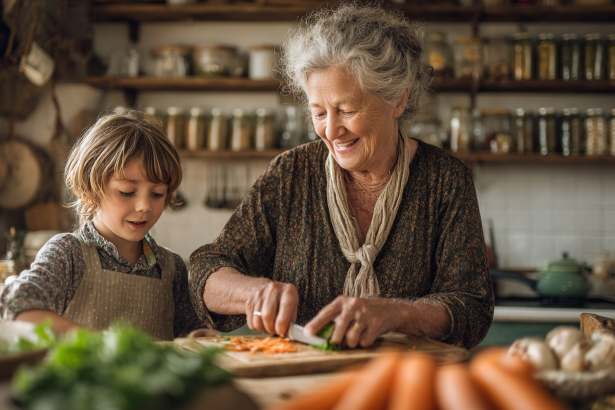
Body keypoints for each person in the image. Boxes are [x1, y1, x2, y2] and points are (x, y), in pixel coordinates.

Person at [189, 4, 494, 349]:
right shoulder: (290, 174)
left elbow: (472, 307)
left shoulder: (445, 180)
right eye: (319, 112)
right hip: (302, 383)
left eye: (347, 110)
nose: (331, 130)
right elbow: (205, 269)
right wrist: (252, 292)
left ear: (397, 99)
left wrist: (398, 313)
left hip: (405, 385)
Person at [0, 110, 213, 340]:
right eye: (127, 192)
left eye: (157, 193)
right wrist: (101, 343)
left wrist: (199, 338)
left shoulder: (172, 268)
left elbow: (187, 334)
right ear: (88, 191)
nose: (145, 206)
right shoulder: (68, 254)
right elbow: (17, 306)